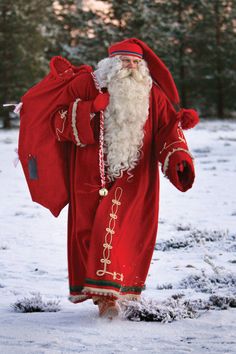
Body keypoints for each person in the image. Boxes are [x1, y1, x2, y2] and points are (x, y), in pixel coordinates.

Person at [51, 38, 198, 318]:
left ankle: (111, 297)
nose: (130, 67)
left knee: (123, 233)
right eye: (124, 61)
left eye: (134, 62)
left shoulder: (152, 93)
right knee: (88, 234)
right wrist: (89, 109)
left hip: (135, 175)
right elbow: (57, 122)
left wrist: (179, 158)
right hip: (90, 175)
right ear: (110, 64)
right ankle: (102, 296)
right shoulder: (86, 86)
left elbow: (168, 128)